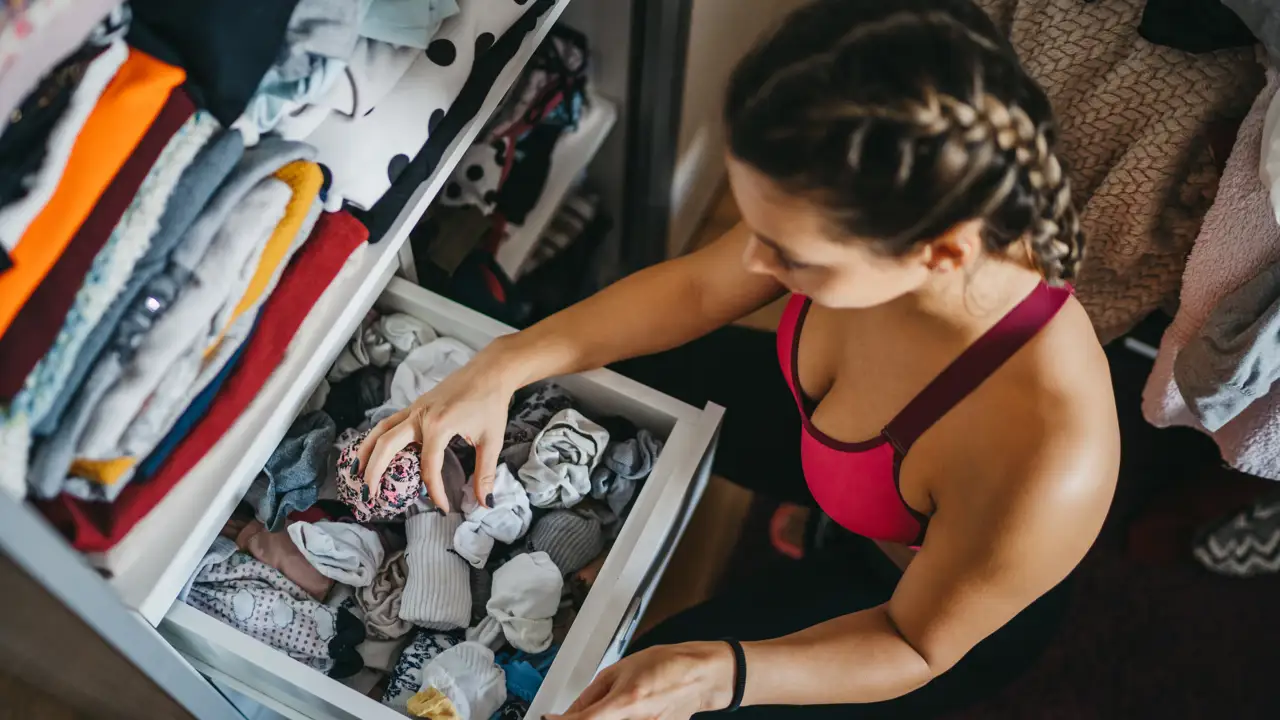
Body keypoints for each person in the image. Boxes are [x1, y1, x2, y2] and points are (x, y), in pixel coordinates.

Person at [358, 0, 1120, 716]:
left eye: (790, 255)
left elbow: (914, 643)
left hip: (904, 609)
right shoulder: (885, 229)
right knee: (572, 375)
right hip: (845, 460)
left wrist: (716, 673)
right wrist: (506, 361)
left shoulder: (1045, 459)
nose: (752, 264)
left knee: (615, 688)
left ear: (939, 253)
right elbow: (697, 290)